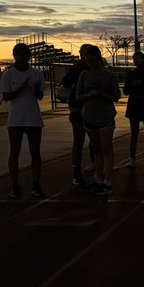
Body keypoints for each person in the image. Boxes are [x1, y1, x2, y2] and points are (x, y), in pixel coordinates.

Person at [0, 42, 45, 198]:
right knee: (14, 152)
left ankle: (36, 184)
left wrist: (36, 88)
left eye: (24, 56)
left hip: (33, 118)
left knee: (35, 153)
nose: (21, 58)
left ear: (28, 57)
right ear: (14, 56)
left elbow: (40, 96)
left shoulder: (37, 73)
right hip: (16, 118)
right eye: (18, 55)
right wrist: (22, 87)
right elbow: (6, 97)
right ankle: (15, 185)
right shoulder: (9, 74)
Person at [75, 45, 120, 196]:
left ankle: (108, 181)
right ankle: (98, 178)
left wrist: (101, 94)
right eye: (88, 61)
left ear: (99, 59)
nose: (91, 63)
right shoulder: (84, 75)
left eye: (93, 60)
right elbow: (78, 96)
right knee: (96, 149)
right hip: (89, 116)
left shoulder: (109, 76)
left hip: (105, 116)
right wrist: (90, 95)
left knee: (106, 148)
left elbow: (116, 96)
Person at [59, 44, 94, 188]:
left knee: (94, 138)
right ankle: (77, 170)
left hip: (91, 106)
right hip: (78, 106)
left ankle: (94, 163)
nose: (83, 55)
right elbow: (65, 83)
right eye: (82, 52)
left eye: (85, 53)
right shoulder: (77, 68)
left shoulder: (95, 68)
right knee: (79, 139)